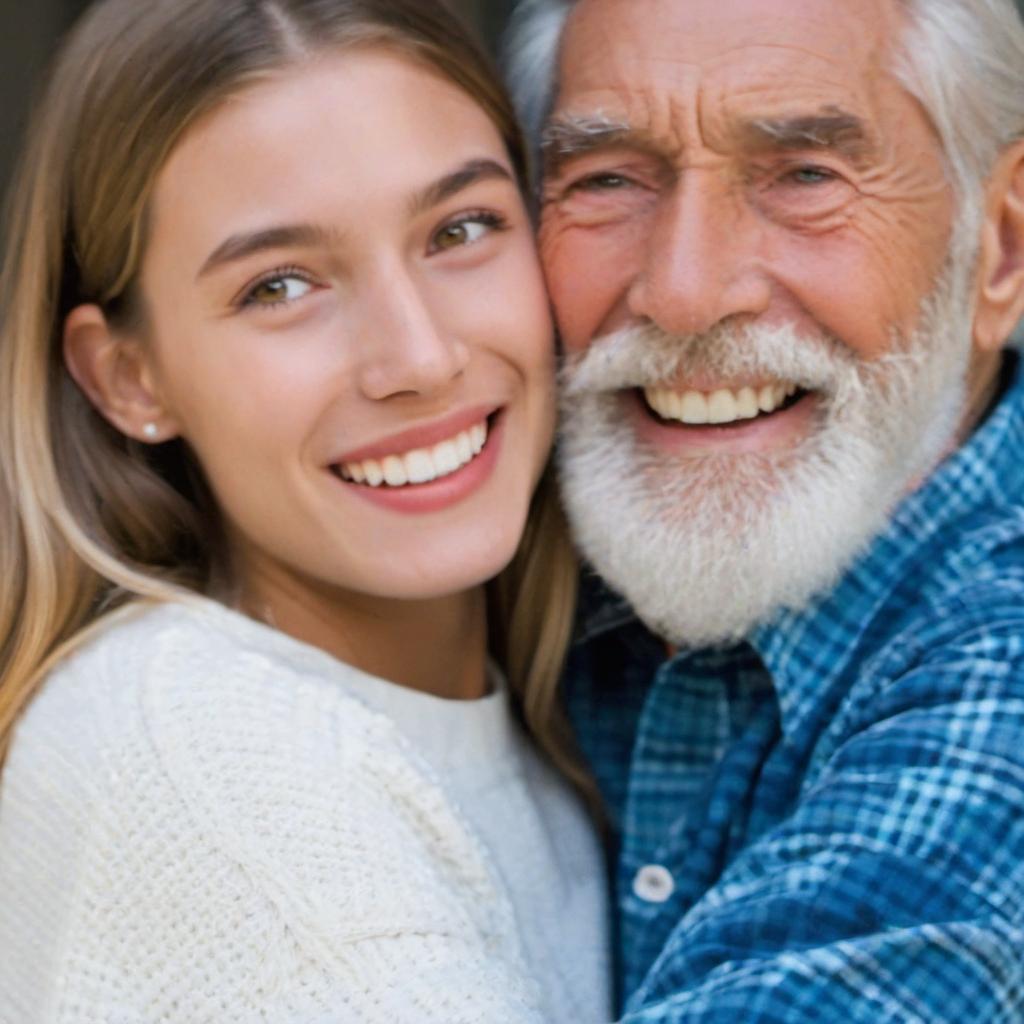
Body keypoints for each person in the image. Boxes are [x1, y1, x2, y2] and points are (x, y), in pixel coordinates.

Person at [0, 0, 613, 1020]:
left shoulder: (558, 750)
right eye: (280, 286)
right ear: (128, 377)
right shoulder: (195, 756)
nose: (418, 357)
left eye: (460, 229)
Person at [504, 0, 1024, 1019]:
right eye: (606, 180)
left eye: (804, 177)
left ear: (1000, 248)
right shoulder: (488, 558)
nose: (684, 291)